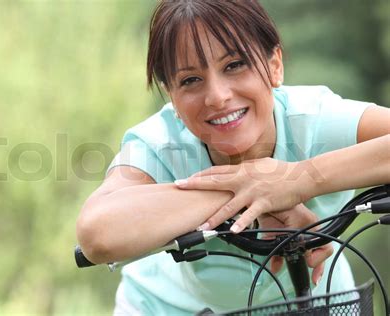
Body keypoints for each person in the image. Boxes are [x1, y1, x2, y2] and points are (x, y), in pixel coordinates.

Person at [76, 0, 390, 314]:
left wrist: (298, 180)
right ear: (171, 95)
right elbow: (97, 233)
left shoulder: (314, 118)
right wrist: (252, 189)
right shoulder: (159, 141)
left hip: (319, 298)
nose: (217, 96)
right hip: (172, 307)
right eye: (190, 80)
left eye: (234, 65)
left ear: (275, 65)